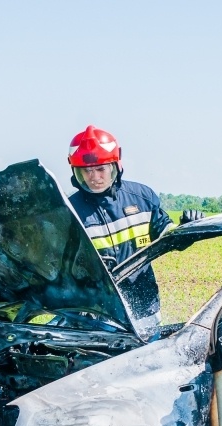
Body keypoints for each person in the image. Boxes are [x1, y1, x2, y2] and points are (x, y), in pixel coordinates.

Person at [67, 125, 203, 336]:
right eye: (87, 170)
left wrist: (188, 229)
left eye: (100, 169)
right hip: (97, 319)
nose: (94, 177)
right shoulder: (69, 213)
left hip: (144, 310)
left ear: (115, 165)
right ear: (77, 171)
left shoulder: (143, 198)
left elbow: (169, 237)